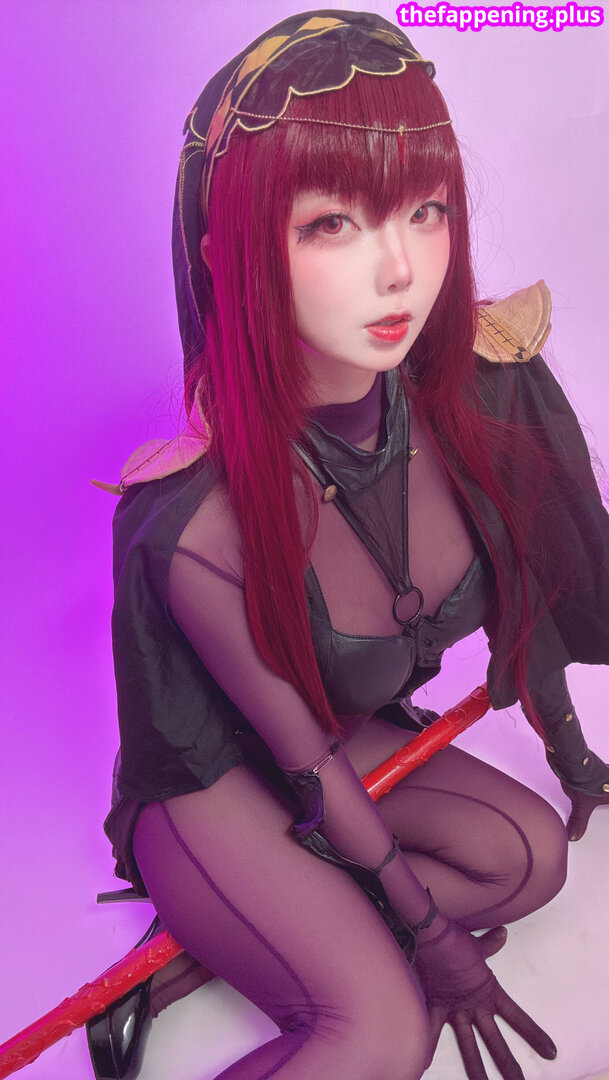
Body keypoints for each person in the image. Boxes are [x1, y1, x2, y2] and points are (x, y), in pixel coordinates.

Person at [89, 10, 609, 1080]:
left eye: (424, 210)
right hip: (219, 782)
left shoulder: (482, 390)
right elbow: (305, 760)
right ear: (228, 255)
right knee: (383, 1035)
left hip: (337, 746)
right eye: (332, 224)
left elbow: (533, 595)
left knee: (531, 861)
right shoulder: (195, 520)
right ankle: (256, 928)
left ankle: (242, 942)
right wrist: (430, 941)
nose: (400, 269)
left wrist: (574, 754)